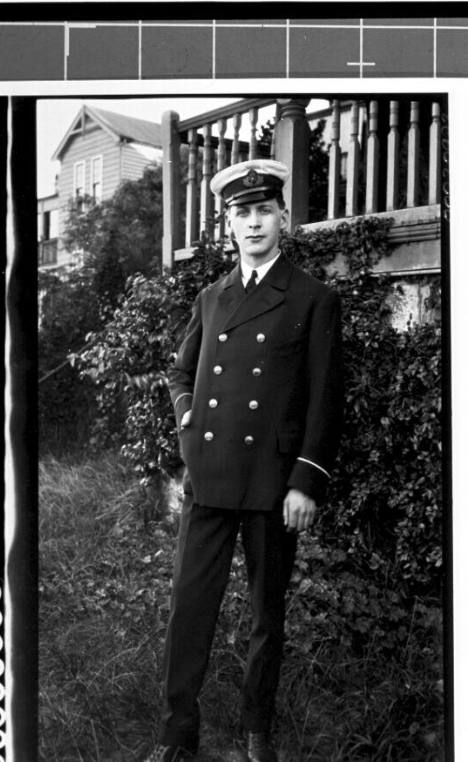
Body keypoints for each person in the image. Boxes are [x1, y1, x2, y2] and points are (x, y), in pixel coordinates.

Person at [145, 159, 344, 762]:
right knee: (188, 607)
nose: (253, 223)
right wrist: (185, 419)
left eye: (263, 210)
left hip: (272, 482)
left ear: (285, 217)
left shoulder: (313, 297)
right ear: (227, 225)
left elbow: (326, 398)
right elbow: (181, 369)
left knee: (266, 616)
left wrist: (306, 481)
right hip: (209, 474)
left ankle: (257, 733)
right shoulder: (212, 298)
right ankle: (177, 734)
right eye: (241, 213)